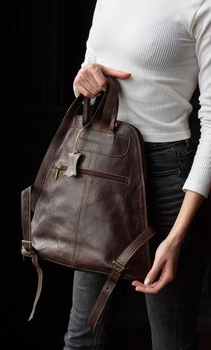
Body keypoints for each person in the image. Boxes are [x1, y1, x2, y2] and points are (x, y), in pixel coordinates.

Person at [63, 0, 211, 349]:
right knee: (81, 339)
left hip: (167, 175)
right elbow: (88, 76)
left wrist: (176, 237)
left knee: (170, 341)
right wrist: (83, 79)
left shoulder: (199, 5)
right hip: (103, 165)